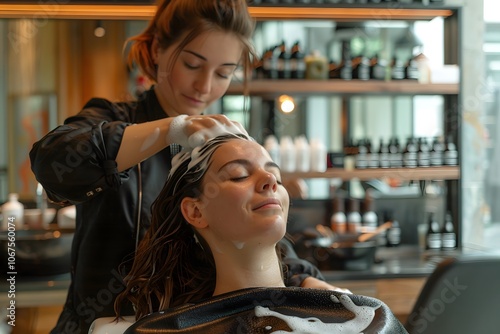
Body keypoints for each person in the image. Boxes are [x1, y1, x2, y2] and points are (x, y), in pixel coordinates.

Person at [29, 1, 333, 333]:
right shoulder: (114, 120)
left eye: (223, 73)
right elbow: (52, 161)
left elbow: (253, 237)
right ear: (158, 49)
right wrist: (172, 129)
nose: (204, 86)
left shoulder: (220, 145)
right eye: (192, 64)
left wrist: (304, 279)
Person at [89, 133, 406, 333]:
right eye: (239, 175)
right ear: (196, 211)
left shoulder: (361, 317)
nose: (269, 179)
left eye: (277, 176)